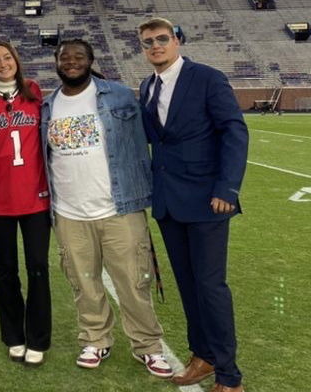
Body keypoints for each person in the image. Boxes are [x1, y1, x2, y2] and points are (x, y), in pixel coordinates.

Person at [39, 38, 172, 378]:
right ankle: (95, 339)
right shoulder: (47, 106)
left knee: (133, 281)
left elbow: (156, 135)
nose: (71, 62)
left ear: (90, 60)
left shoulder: (119, 95)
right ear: (56, 62)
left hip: (119, 208)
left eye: (78, 56)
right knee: (83, 283)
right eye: (64, 57)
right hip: (69, 213)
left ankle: (148, 345)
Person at [138, 17, 248, 392]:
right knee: (187, 285)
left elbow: (234, 130)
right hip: (169, 202)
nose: (155, 46)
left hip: (207, 201)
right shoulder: (146, 86)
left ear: (177, 41)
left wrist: (227, 189)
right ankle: (202, 355)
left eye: (162, 39)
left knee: (210, 285)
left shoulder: (206, 77)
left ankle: (230, 377)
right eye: (148, 42)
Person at [0, 41, 51, 366]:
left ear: (16, 61)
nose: (3, 63)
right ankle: (14, 335)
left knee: (37, 268)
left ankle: (38, 337)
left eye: (7, 58)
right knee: (6, 271)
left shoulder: (33, 91)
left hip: (35, 196)